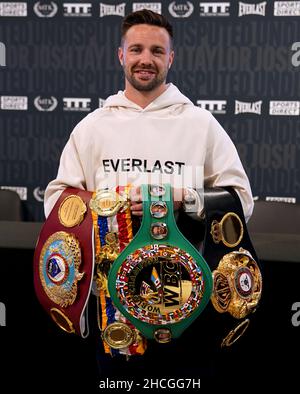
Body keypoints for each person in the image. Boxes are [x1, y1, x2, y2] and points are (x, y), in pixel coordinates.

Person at [44, 9, 254, 388]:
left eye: (157, 51)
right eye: (137, 49)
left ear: (170, 59)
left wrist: (186, 199)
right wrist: (110, 207)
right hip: (114, 307)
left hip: (189, 297)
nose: (146, 59)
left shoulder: (200, 124)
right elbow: (59, 204)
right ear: (120, 55)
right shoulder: (92, 127)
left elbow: (240, 199)